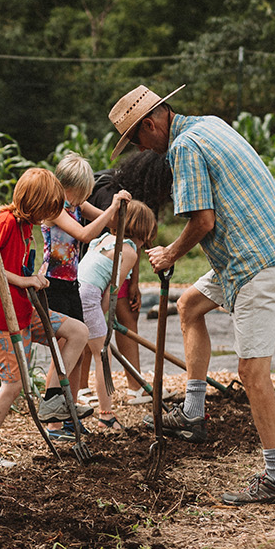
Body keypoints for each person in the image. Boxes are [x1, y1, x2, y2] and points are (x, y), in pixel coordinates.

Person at [109, 85, 275, 506]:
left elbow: (203, 220)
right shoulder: (209, 125)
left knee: (252, 372)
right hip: (258, 246)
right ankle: (194, 413)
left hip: (257, 260)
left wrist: (170, 253)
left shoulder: (183, 148)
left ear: (151, 124)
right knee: (189, 305)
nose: (142, 150)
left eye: (137, 140)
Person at [0, 167, 91, 470]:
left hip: (25, 311)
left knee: (77, 331)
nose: (50, 215)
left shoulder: (26, 227)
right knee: (12, 385)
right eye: (48, 208)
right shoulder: (7, 222)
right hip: (3, 315)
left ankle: (52, 398)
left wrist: (34, 278)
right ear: (34, 202)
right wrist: (22, 282)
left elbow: (16, 267)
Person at [41, 152, 130, 424]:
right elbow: (85, 234)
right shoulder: (55, 208)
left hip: (71, 283)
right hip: (53, 284)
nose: (82, 199)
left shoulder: (77, 205)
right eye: (79, 192)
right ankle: (52, 408)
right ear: (67, 186)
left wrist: (120, 207)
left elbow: (110, 223)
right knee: (63, 347)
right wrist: (112, 210)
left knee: (77, 352)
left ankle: (69, 410)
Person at [86, 150, 173, 405]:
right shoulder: (110, 196)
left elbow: (134, 245)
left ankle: (135, 386)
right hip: (95, 268)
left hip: (118, 264)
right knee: (89, 328)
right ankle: (82, 389)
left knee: (127, 315)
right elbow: (112, 242)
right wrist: (104, 302)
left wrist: (134, 282)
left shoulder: (145, 201)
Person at [76, 200, 158, 426]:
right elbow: (111, 292)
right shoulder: (129, 252)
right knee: (103, 355)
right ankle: (106, 415)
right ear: (144, 229)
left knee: (74, 350)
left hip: (74, 290)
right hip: (89, 296)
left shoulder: (102, 239)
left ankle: (68, 405)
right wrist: (102, 318)